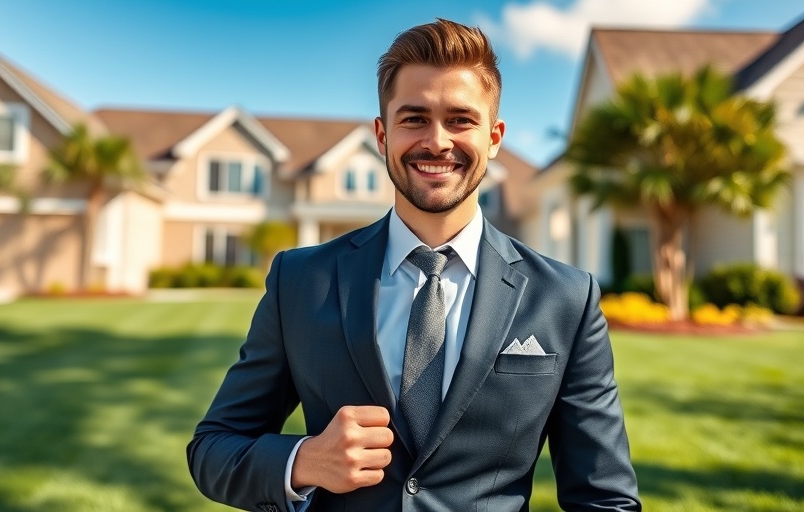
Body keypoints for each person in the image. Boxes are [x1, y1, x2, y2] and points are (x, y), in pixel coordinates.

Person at [187, 18, 640, 512]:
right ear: (382, 136)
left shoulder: (565, 298)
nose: (438, 141)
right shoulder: (300, 281)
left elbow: (605, 498)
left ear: (494, 137)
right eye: (414, 118)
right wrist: (305, 460)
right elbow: (214, 447)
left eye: (461, 119)